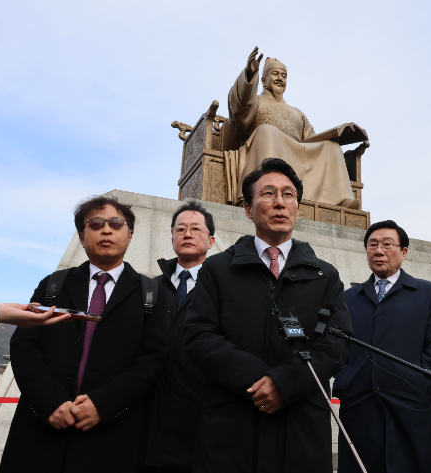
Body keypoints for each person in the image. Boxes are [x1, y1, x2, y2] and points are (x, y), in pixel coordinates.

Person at [183, 158, 353, 473]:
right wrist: (259, 380)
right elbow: (198, 334)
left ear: (297, 209)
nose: (279, 203)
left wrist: (285, 383)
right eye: (268, 193)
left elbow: (336, 343)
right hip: (233, 424)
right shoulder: (218, 269)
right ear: (248, 209)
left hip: (300, 423)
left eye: (289, 195)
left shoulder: (324, 275)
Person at [0, 196, 170, 473]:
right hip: (41, 431)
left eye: (116, 224)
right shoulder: (53, 285)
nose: (106, 230)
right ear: (81, 236)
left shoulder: (151, 294)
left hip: (111, 434)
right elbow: (24, 346)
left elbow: (152, 359)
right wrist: (50, 402)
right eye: (96, 224)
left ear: (129, 236)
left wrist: (103, 404)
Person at [333, 220, 431, 473]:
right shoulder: (349, 298)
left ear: (404, 252)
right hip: (360, 406)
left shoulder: (427, 293)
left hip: (412, 406)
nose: (379, 251)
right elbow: (338, 347)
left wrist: (422, 384)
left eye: (387, 244)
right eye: (372, 245)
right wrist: (345, 380)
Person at [226, 47, 360, 209]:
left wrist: (335, 135)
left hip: (297, 154)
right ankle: (266, 189)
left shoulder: (297, 113)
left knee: (332, 147)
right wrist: (249, 74)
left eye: (284, 76)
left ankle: (339, 199)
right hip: (266, 146)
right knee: (266, 130)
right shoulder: (256, 101)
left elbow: (312, 140)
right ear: (263, 80)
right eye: (275, 74)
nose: (280, 79)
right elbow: (241, 107)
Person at [140, 201, 215, 473]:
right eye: (180, 229)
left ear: (211, 240)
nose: (187, 234)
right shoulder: (150, 288)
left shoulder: (221, 289)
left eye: (196, 228)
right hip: (149, 423)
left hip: (200, 424)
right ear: (172, 237)